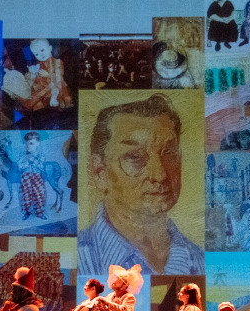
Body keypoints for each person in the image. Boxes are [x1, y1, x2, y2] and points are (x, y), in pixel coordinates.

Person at [78, 93, 204, 275]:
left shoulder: (199, 259)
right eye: (134, 156)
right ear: (100, 172)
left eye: (169, 153)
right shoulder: (81, 259)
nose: (160, 174)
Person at [27, 38, 72, 111]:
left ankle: (54, 99)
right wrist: (33, 72)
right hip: (43, 88)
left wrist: (48, 75)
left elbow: (59, 77)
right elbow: (36, 79)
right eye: (36, 54)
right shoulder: (38, 65)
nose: (40, 55)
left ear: (50, 48)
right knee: (36, 100)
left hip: (55, 84)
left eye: (42, 50)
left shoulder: (57, 62)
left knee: (56, 92)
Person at [18, 131, 47, 221]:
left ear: (37, 143)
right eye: (26, 144)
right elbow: (19, 166)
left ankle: (40, 213)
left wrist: (33, 160)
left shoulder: (40, 154)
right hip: (25, 177)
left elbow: (42, 166)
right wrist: (26, 161)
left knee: (39, 194)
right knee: (25, 195)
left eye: (31, 143)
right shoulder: (23, 155)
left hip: (37, 176)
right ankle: (26, 212)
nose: (28, 146)